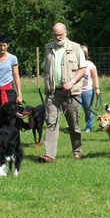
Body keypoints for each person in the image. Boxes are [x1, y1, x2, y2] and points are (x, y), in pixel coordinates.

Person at [38, 22, 86, 163]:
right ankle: (49, 155)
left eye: (60, 34)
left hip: (72, 93)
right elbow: (45, 68)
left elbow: (82, 69)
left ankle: (77, 151)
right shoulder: (48, 48)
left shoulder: (76, 48)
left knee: (73, 124)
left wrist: (72, 82)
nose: (58, 37)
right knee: (51, 122)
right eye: (55, 35)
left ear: (66, 33)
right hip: (53, 93)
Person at [80, 45, 100, 133]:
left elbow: (95, 77)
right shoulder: (74, 63)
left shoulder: (89, 64)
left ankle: (89, 126)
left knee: (88, 110)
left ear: (85, 54)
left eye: (82, 53)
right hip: (76, 91)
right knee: (75, 110)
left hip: (88, 90)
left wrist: (97, 88)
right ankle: (74, 126)